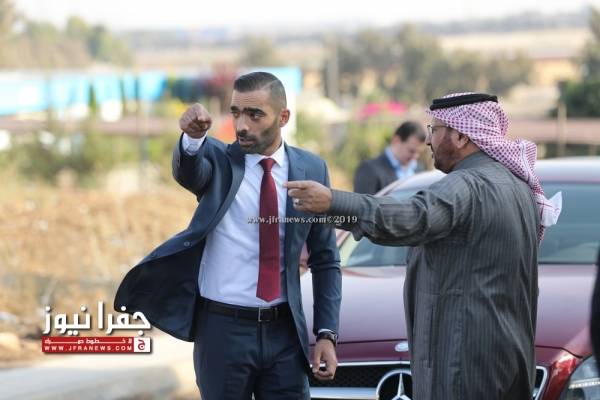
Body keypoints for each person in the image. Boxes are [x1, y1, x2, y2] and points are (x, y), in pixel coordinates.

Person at [284, 92, 562, 400]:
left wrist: (332, 202)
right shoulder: (515, 186)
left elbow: (410, 217)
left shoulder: (467, 185)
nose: (428, 140)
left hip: (464, 364)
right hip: (507, 358)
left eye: (435, 130)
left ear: (461, 136)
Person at [114, 72, 342, 400]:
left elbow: (325, 259)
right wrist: (192, 139)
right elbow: (189, 171)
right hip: (222, 332)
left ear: (283, 117)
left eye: (255, 114)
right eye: (236, 112)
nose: (242, 125)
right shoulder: (218, 160)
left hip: (285, 332)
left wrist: (326, 334)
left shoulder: (312, 169)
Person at [353, 121, 426, 194]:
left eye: (419, 152)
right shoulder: (369, 170)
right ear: (396, 141)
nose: (415, 157)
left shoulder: (419, 169)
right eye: (411, 151)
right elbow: (362, 201)